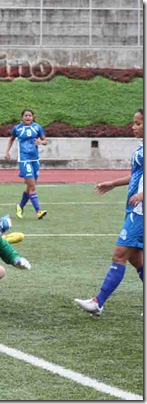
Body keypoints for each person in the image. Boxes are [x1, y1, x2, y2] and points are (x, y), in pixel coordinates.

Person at [74, 108, 144, 316]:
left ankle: (98, 302)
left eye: (138, 123)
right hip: (134, 207)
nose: (133, 127)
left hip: (140, 211)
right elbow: (136, 176)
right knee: (135, 259)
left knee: (120, 254)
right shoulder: (141, 148)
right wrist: (114, 183)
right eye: (134, 122)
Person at [4, 109, 48, 220]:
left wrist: (40, 142)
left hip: (35, 160)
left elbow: (45, 141)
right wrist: (7, 152)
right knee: (32, 186)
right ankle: (38, 211)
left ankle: (20, 206)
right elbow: (11, 139)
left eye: (30, 115)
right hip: (24, 160)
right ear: (22, 117)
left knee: (30, 186)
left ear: (33, 117)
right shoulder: (17, 128)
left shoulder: (37, 127)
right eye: (25, 115)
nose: (28, 117)